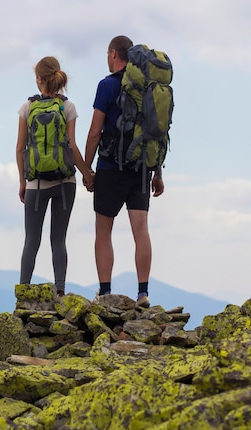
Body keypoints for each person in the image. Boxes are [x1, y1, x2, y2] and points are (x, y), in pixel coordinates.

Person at [84, 35, 164, 307]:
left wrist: (86, 168)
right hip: (142, 168)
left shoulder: (106, 86)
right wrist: (158, 172)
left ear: (113, 54)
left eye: (108, 55)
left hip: (110, 167)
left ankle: (105, 293)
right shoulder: (148, 88)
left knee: (103, 230)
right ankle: (143, 292)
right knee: (141, 229)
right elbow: (157, 132)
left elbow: (95, 131)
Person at [16, 56, 94, 296]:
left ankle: (24, 293)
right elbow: (71, 146)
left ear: (38, 79)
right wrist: (87, 174)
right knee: (58, 240)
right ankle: (60, 292)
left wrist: (22, 181)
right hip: (64, 183)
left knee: (31, 241)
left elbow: (20, 148)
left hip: (35, 184)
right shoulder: (67, 107)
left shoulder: (27, 107)